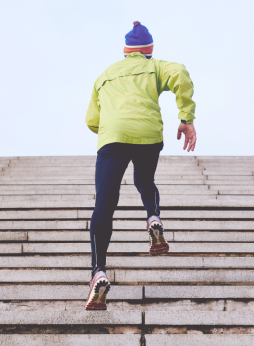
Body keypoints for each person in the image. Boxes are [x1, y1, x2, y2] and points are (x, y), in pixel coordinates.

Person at [85, 21, 196, 311]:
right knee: (144, 181)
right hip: (148, 135)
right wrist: (186, 117)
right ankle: (153, 217)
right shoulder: (155, 66)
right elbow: (180, 73)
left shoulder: (104, 75)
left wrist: (113, 125)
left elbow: (91, 120)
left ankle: (98, 270)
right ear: (149, 50)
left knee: (105, 202)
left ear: (125, 51)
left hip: (113, 139)